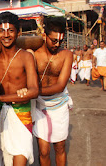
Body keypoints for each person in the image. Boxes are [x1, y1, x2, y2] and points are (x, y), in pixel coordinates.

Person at [0, 11, 38, 166]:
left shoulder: (26, 57)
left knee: (21, 154)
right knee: (0, 157)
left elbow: (34, 90)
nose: (6, 35)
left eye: (10, 30)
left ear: (18, 32)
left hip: (21, 112)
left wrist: (0, 97)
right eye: (2, 31)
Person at [32, 17, 73, 166]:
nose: (57, 44)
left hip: (59, 105)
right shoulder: (33, 54)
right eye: (53, 40)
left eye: (60, 41)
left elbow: (60, 86)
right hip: (39, 106)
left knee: (60, 147)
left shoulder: (67, 55)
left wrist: (34, 92)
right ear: (44, 35)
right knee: (43, 151)